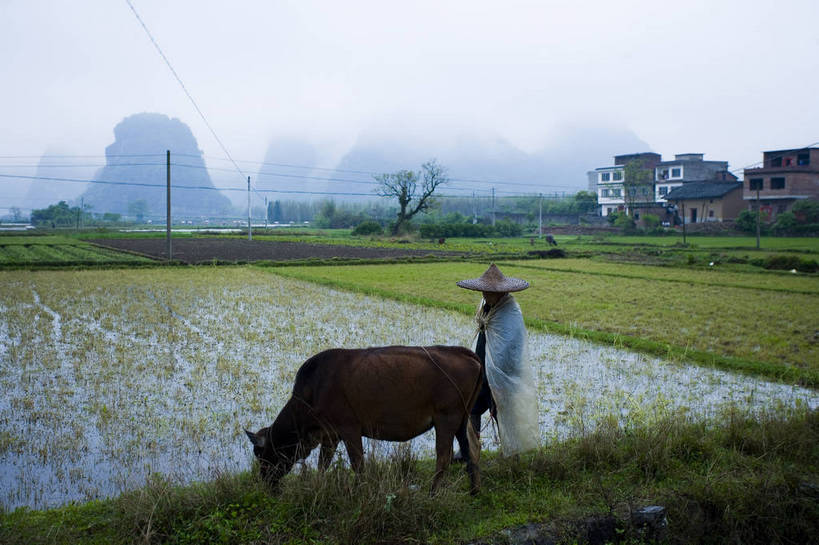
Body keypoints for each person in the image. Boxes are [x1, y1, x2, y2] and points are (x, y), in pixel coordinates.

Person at [454, 263, 539, 459]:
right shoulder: (486, 307)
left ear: (501, 293)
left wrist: (497, 374)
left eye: (488, 291)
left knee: (502, 412)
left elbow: (510, 348)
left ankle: (511, 452)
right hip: (482, 371)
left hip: (503, 374)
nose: (484, 294)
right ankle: (469, 450)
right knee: (472, 408)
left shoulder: (510, 312)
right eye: (483, 291)